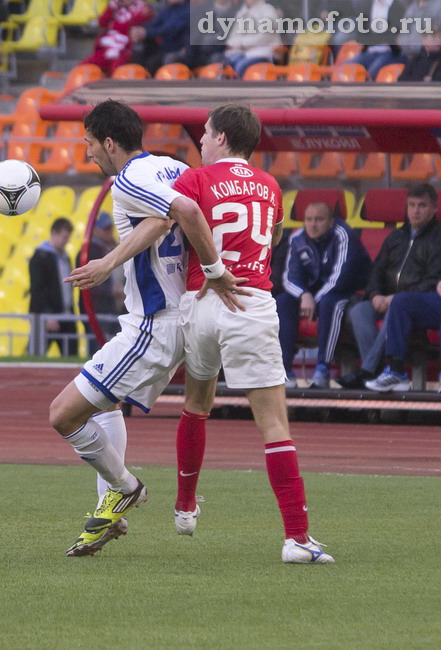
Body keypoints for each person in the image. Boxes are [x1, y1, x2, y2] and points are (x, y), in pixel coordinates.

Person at [54, 99, 244, 558]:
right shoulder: (172, 165)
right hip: (181, 315)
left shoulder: (128, 179)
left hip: (155, 323)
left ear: (110, 142)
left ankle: (124, 487)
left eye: (90, 144)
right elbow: (165, 219)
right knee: (105, 403)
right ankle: (108, 509)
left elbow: (182, 214)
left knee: (62, 414)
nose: (88, 154)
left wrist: (108, 261)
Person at [171, 103, 334, 564]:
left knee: (195, 404)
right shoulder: (269, 184)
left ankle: (185, 505)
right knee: (273, 425)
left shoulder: (193, 181)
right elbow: (277, 235)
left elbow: (177, 220)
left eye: (204, 133)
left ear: (221, 137)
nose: (200, 140)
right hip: (248, 302)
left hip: (201, 302)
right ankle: (297, 538)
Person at [338, 184, 441, 389]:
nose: (415, 210)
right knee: (359, 310)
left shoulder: (438, 238)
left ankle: (368, 372)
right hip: (386, 299)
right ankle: (376, 371)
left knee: (398, 307)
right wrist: (375, 295)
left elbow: (433, 279)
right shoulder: (396, 236)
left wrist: (394, 298)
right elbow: (376, 271)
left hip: (415, 301)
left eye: (422, 205)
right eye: (412, 205)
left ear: (434, 208)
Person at [276, 203, 370, 388]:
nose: (313, 225)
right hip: (313, 292)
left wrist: (314, 301)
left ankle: (322, 369)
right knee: (283, 301)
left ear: (331, 222)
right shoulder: (297, 238)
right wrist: (304, 295)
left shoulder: (344, 235)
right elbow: (289, 278)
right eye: (309, 220)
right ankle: (284, 370)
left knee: (329, 304)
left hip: (348, 291)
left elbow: (340, 279)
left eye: (319, 220)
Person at [29, 217, 78, 357]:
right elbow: (37, 289)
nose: (67, 241)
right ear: (53, 233)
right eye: (64, 237)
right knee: (36, 357)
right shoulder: (40, 257)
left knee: (72, 356)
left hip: (65, 313)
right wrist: (47, 314)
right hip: (47, 315)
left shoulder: (65, 257)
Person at [76, 211, 123, 356]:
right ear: (96, 229)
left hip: (117, 307)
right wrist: (111, 291)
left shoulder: (115, 248)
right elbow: (86, 282)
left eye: (109, 228)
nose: (108, 232)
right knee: (98, 350)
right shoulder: (89, 251)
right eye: (105, 229)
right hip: (99, 308)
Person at [80, 0, 153, 76]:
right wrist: (111, 8)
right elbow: (102, 23)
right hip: (108, 46)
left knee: (115, 68)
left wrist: (114, 25)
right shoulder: (115, 8)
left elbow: (131, 26)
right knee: (85, 65)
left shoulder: (143, 9)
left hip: (126, 48)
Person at [346, 0, 407, 81]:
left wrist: (375, 38)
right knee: (344, 68)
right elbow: (361, 35)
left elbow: (395, 36)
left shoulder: (398, 7)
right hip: (369, 51)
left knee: (371, 74)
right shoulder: (366, 5)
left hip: (388, 52)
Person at [223, 0, 281, 78]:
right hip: (242, 53)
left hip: (264, 53)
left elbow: (265, 36)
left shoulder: (267, 10)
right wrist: (234, 44)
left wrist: (242, 44)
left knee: (240, 67)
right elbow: (233, 36)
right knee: (226, 66)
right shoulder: (241, 12)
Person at [129, 0, 190, 74]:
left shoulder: (188, 10)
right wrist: (140, 30)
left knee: (155, 62)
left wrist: (145, 32)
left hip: (180, 50)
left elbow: (169, 29)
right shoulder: (169, 9)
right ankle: (136, 76)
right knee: (139, 46)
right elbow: (154, 23)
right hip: (165, 49)